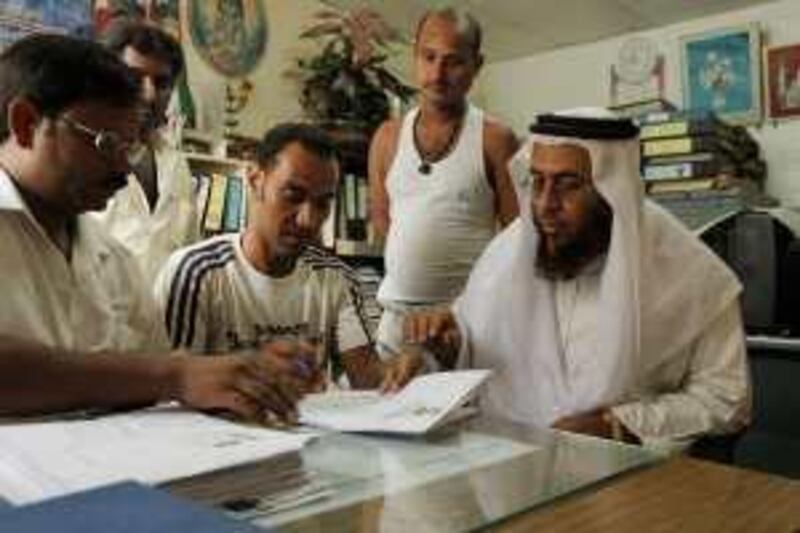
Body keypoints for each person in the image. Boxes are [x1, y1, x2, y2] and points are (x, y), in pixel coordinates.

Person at [0, 33, 310, 422]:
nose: (124, 168)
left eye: (130, 148)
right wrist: (173, 375)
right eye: (106, 143)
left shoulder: (113, 261)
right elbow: (158, 375)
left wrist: (238, 376)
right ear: (26, 123)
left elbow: (149, 381)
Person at [406, 110, 751, 450]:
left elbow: (727, 400)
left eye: (568, 185)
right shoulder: (507, 252)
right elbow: (472, 347)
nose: (544, 205)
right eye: (538, 181)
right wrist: (445, 347)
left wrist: (620, 425)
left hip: (629, 478)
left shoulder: (690, 272)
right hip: (508, 461)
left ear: (611, 190)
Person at [154, 123, 419, 390]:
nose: (308, 219)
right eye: (293, 195)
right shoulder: (197, 273)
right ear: (256, 180)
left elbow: (367, 379)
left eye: (322, 203)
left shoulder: (336, 279)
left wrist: (407, 364)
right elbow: (172, 395)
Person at [368, 7, 519, 357]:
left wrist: (465, 308)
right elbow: (383, 222)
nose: (437, 73)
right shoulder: (387, 137)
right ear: (415, 55)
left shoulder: (496, 139)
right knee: (390, 409)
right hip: (396, 323)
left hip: (463, 322)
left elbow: (517, 239)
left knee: (466, 413)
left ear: (477, 66)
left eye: (453, 62)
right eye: (429, 57)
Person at [95, 20, 199, 280]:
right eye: (134, 78)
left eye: (162, 82)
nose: (150, 94)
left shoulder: (177, 166)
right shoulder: (82, 160)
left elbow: (188, 258)